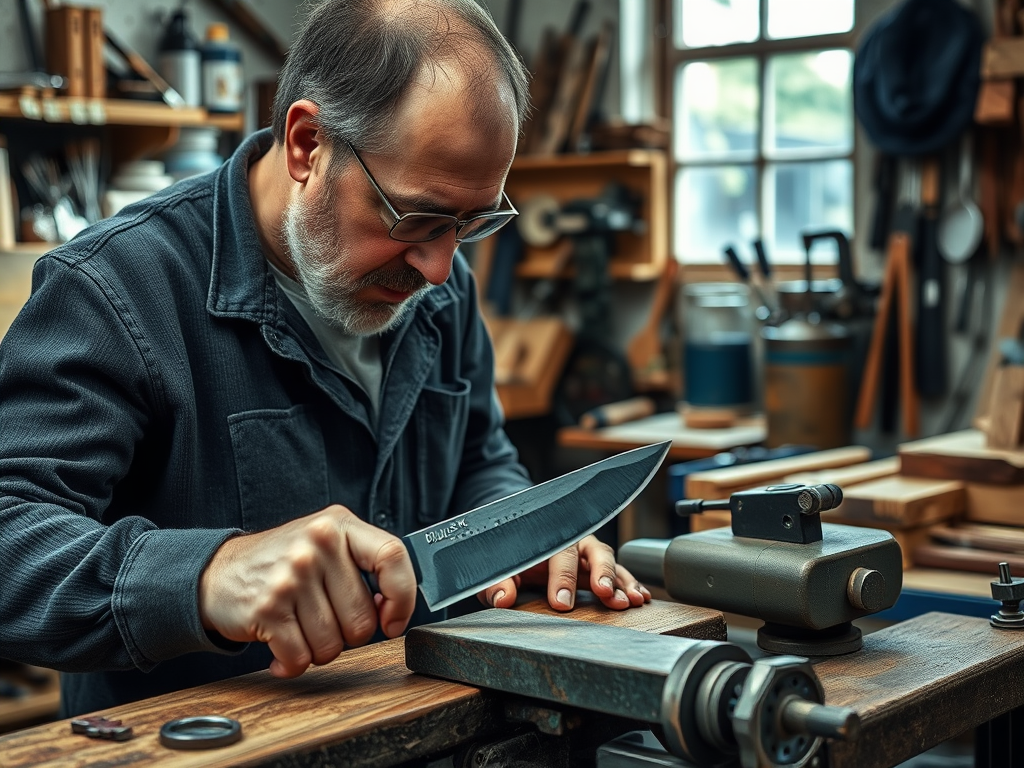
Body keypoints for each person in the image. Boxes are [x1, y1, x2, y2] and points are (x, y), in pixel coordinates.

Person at [0, 0, 651, 717]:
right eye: (416, 218)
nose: (439, 269)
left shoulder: (438, 284)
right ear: (308, 144)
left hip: (422, 727)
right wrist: (207, 577)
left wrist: (513, 534)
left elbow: (476, 454)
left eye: (471, 224)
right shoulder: (115, 290)